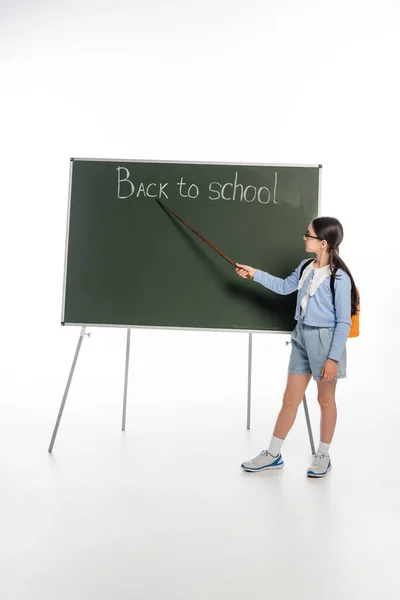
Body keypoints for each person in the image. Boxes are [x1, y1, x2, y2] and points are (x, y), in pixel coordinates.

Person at [235, 217, 359, 478]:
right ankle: (273, 453)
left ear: (323, 243)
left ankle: (323, 455)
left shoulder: (340, 278)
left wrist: (333, 358)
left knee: (325, 400)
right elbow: (283, 287)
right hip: (301, 337)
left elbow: (343, 322)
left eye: (309, 234)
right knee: (289, 399)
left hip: (325, 342)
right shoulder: (305, 267)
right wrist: (254, 273)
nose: (304, 237)